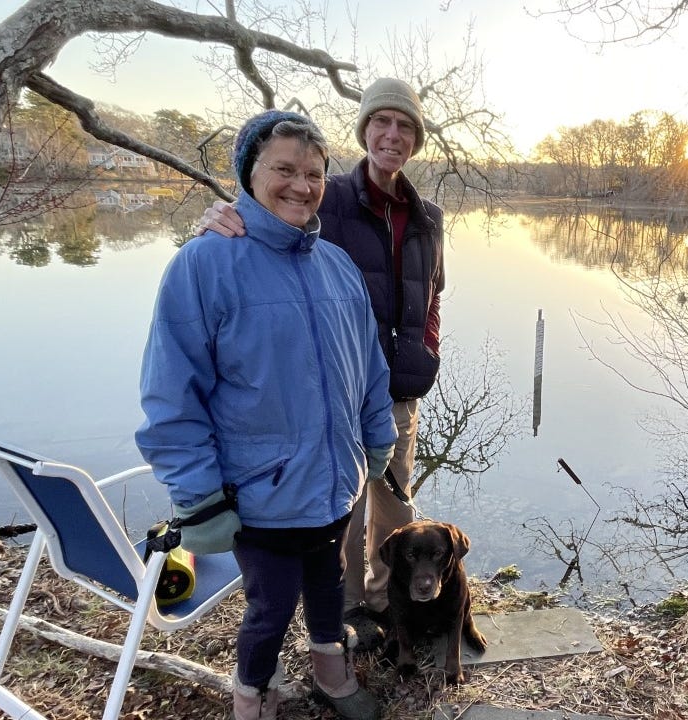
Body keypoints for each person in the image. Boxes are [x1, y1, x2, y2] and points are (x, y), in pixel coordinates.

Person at [137, 110, 396, 720]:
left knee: (330, 583)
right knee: (270, 606)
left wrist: (376, 437)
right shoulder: (203, 264)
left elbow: (371, 369)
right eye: (283, 169)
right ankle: (251, 698)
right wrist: (198, 498)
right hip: (259, 491)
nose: (300, 186)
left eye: (313, 173)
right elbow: (172, 397)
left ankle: (333, 677)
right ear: (249, 175)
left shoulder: (337, 266)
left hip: (334, 482)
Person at [200, 78, 446, 651]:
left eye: (404, 126)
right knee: (344, 508)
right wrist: (223, 214)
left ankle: (389, 598)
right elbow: (267, 234)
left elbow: (433, 293)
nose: (392, 134)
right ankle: (348, 606)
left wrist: (425, 350)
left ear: (415, 140)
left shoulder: (428, 215)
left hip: (399, 391)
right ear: (364, 131)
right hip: (333, 391)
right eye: (381, 123)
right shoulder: (325, 195)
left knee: (394, 505)